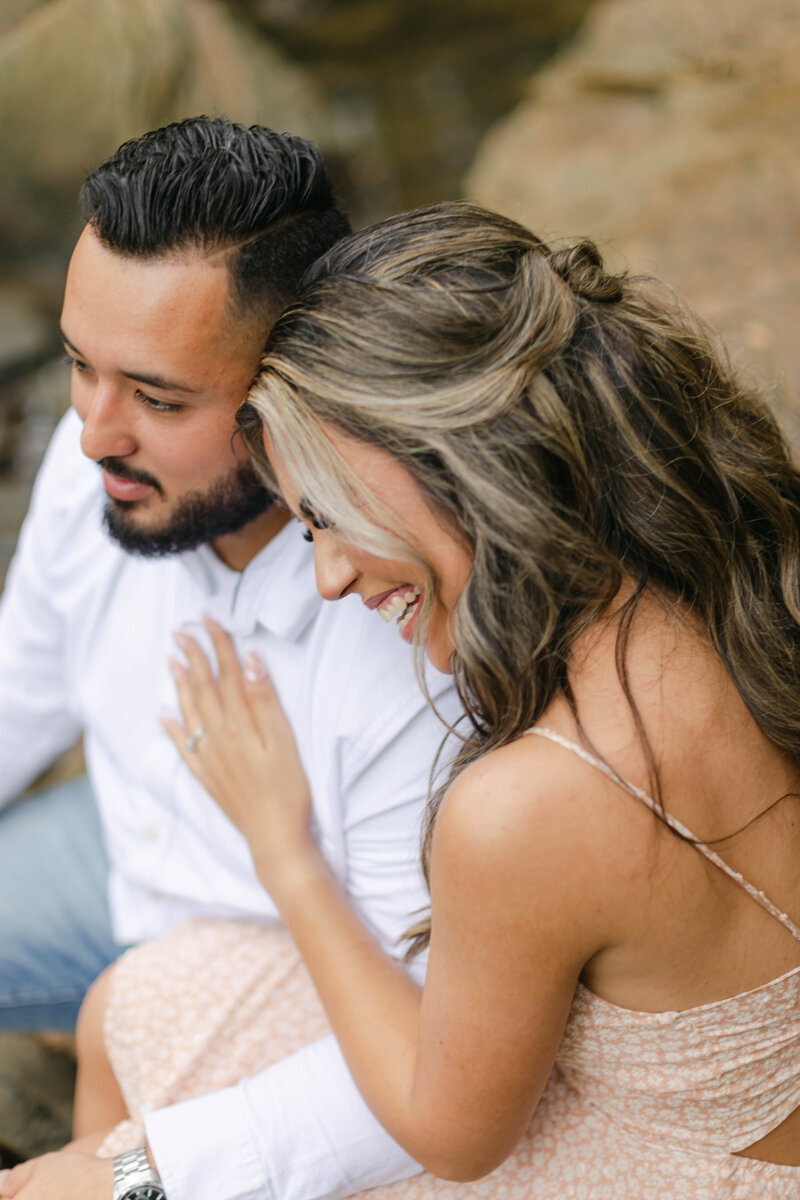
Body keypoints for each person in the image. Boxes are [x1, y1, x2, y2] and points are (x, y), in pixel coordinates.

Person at [110, 201, 800, 1197]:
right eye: (307, 532)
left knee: (143, 1085)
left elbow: (452, 1137)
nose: (330, 578)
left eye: (332, 515)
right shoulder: (717, 577)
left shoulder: (530, 804)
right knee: (147, 999)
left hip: (669, 1172)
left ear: (455, 451)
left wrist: (284, 853)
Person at [0, 123, 460, 1200]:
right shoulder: (101, 474)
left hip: (297, 973)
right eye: (78, 366)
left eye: (159, 400)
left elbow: (438, 1061)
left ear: (292, 383)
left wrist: (137, 1174)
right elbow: (16, 693)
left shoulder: (408, 635)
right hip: (109, 866)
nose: (94, 433)